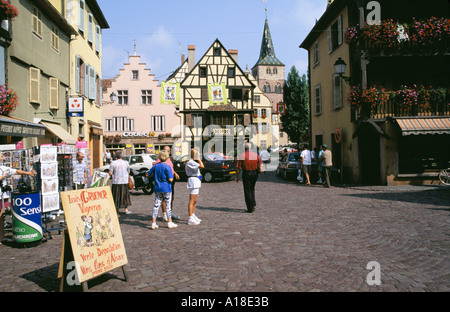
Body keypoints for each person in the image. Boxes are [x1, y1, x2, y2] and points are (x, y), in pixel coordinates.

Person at [0, 152, 36, 243]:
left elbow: (15, 171)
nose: (2, 158)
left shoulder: (3, 168)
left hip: (3, 195)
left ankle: (1, 236)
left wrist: (28, 173)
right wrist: (3, 176)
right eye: (0, 156)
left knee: (2, 216)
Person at [148, 150, 177, 229]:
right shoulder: (167, 166)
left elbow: (148, 174)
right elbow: (171, 179)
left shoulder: (155, 166)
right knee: (168, 205)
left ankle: (153, 222)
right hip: (166, 187)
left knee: (156, 205)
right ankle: (169, 222)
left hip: (157, 187)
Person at [235, 142, 263, 213]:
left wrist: (236, 176)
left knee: (247, 190)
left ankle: (250, 208)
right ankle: (253, 204)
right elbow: (261, 163)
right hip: (255, 173)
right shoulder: (255, 155)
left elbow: (238, 167)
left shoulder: (242, 155)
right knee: (252, 189)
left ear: (244, 148)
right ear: (250, 148)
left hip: (246, 173)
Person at [155, 145, 180, 221]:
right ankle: (165, 215)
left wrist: (175, 173)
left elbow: (170, 168)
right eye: (165, 151)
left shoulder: (169, 159)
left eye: (168, 151)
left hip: (171, 181)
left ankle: (170, 212)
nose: (167, 152)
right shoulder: (160, 160)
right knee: (164, 199)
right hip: (165, 182)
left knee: (171, 197)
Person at [109, 150, 132, 214]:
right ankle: (126, 209)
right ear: (122, 156)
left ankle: (117, 210)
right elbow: (128, 171)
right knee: (125, 195)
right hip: (124, 181)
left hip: (116, 181)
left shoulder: (113, 163)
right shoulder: (126, 162)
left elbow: (110, 173)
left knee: (116, 195)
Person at [185, 148, 204, 225]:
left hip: (196, 180)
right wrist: (199, 159)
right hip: (193, 181)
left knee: (195, 200)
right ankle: (190, 218)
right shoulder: (191, 162)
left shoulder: (192, 162)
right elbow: (202, 166)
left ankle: (193, 214)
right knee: (192, 200)